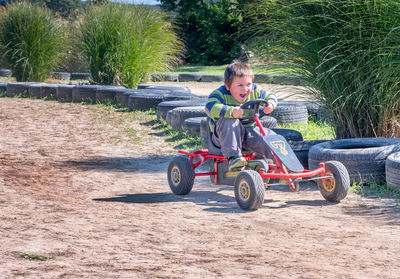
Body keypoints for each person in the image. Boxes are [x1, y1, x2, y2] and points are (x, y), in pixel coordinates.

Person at [205, 60, 278, 170]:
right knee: (230, 121)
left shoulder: (255, 90)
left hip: (248, 133)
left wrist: (270, 104)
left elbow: (271, 96)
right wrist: (231, 111)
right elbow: (209, 107)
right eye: (240, 85)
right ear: (228, 86)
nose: (245, 89)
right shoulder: (220, 94)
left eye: (249, 84)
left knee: (267, 135)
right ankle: (234, 158)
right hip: (223, 137)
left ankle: (277, 164)